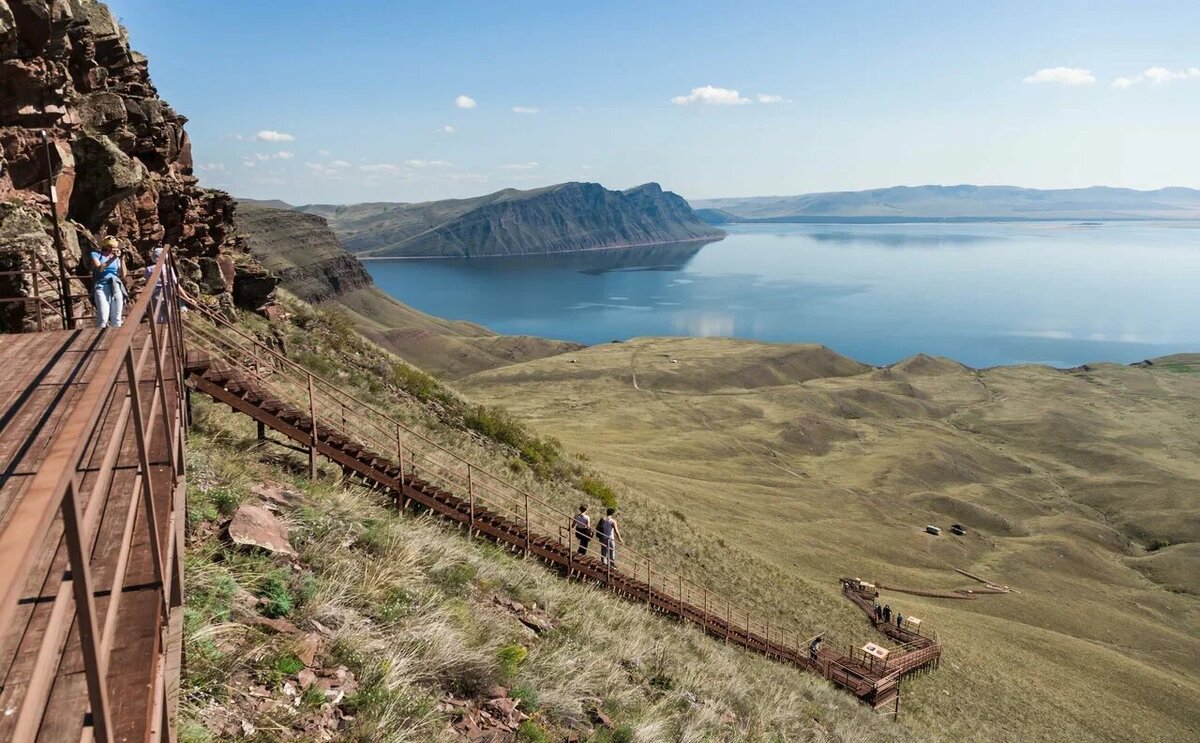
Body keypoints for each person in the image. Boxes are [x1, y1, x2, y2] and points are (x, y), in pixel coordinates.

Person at [90, 236, 126, 329]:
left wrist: (122, 260)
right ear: (105, 246)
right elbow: (100, 268)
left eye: (114, 246)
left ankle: (116, 340)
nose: (113, 249)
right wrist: (114, 258)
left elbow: (123, 274)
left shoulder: (116, 257)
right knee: (103, 317)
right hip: (101, 285)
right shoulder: (96, 254)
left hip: (115, 285)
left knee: (117, 317)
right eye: (110, 246)